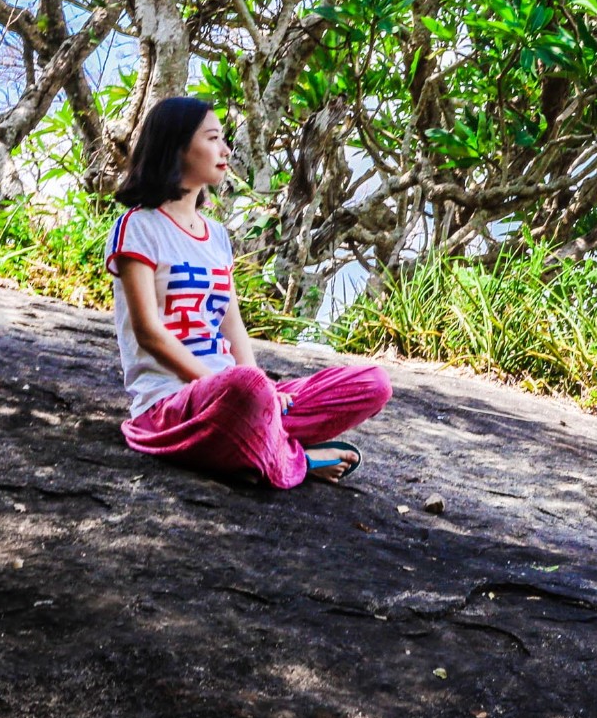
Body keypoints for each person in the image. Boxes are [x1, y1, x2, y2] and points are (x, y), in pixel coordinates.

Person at [104, 96, 391, 486]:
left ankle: (261, 436)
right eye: (213, 138)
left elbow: (231, 323)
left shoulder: (217, 236)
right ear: (176, 146)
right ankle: (296, 460)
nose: (225, 150)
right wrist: (229, 386)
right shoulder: (138, 227)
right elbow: (148, 333)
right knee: (246, 388)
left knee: (373, 382)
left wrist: (266, 391)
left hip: (239, 398)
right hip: (172, 406)